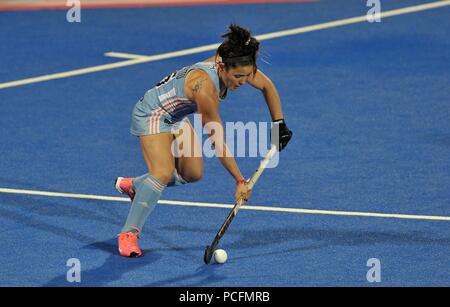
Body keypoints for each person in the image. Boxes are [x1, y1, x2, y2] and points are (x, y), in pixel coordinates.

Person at [115, 24, 292, 257]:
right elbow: (216, 138)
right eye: (238, 76)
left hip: (176, 116)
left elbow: (267, 86)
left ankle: (137, 185)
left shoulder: (237, 61)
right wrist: (239, 180)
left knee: (192, 174)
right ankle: (129, 233)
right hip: (153, 114)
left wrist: (278, 124)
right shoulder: (205, 89)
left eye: (247, 76)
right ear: (222, 66)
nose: (242, 81)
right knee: (162, 172)